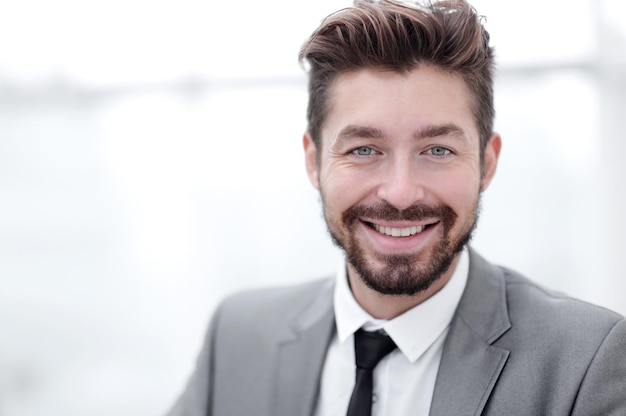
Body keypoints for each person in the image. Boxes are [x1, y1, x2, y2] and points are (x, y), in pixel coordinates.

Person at [166, 1, 626, 415]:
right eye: (364, 150)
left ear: (486, 164)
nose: (401, 193)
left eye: (438, 150)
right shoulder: (237, 337)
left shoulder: (587, 362)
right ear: (314, 161)